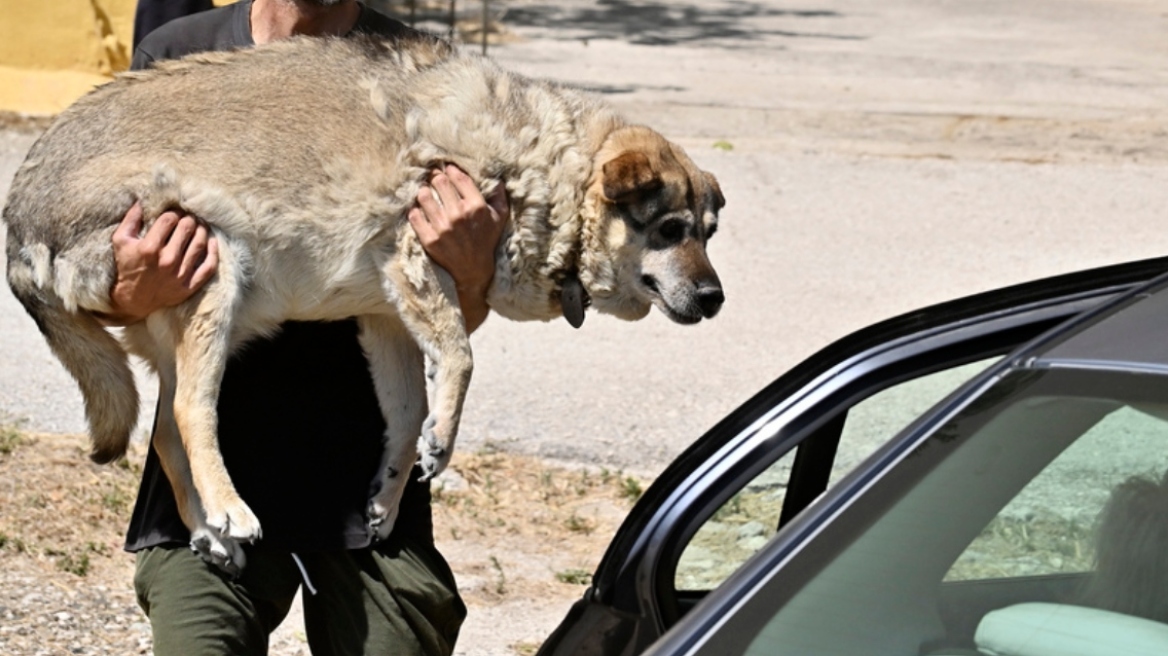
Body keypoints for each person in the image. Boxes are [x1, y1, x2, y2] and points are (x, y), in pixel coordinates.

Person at [113, 2, 509, 654]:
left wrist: (471, 272)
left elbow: (457, 321)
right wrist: (128, 291)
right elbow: (111, 293)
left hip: (367, 496)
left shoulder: (426, 72)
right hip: (213, 489)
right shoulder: (177, 55)